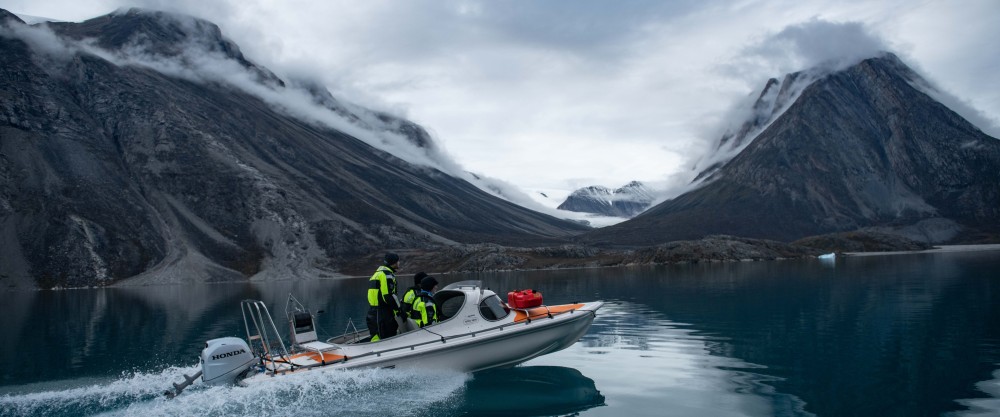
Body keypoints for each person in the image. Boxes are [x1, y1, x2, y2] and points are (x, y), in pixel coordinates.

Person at [366, 252, 404, 342]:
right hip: (383, 313)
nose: (399, 263)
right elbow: (388, 296)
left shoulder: (376, 274)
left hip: (373, 311)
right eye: (398, 261)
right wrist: (399, 310)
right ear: (393, 262)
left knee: (376, 336)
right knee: (388, 337)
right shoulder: (387, 275)